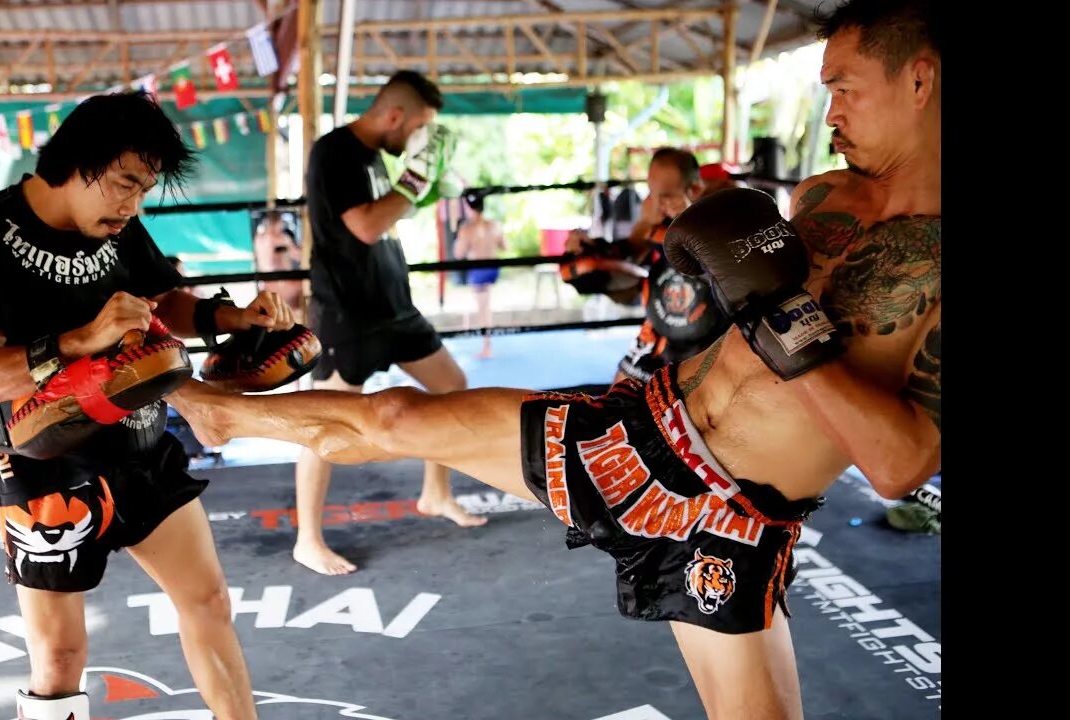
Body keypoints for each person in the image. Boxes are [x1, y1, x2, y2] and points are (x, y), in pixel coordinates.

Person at [168, 1, 940, 717]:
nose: (830, 112)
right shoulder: (821, 197)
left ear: (919, 78)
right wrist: (646, 270)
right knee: (399, 412)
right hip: (637, 434)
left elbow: (899, 464)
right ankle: (212, 410)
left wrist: (789, 327)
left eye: (845, 89)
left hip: (728, 525)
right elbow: (738, 318)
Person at [0, 90, 298, 720]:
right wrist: (82, 340)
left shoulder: (120, 226)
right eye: (125, 184)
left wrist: (231, 316)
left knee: (208, 600)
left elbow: (165, 302)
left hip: (139, 437)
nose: (134, 205)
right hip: (41, 461)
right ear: (77, 164)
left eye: (144, 190)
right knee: (59, 658)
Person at [293, 68, 485, 576]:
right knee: (329, 419)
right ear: (394, 115)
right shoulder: (334, 152)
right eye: (417, 128)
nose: (418, 140)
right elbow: (367, 225)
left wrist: (423, 188)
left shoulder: (379, 157)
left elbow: (389, 216)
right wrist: (418, 178)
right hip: (349, 311)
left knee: (451, 387)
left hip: (392, 304)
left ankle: (434, 493)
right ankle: (307, 539)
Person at [614, 148, 730, 385]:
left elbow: (731, 269)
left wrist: (687, 218)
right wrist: (645, 225)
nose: (657, 203)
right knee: (615, 401)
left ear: (694, 190)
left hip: (711, 339)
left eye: (665, 196)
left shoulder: (724, 208)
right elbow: (628, 259)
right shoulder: (654, 213)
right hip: (660, 329)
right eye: (652, 193)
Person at [453, 191, 506, 358]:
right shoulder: (494, 225)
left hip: (478, 269)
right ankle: (482, 340)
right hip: (492, 267)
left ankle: (487, 346)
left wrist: (459, 238)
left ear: (469, 208)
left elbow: (459, 254)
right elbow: (505, 246)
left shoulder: (467, 229)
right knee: (483, 305)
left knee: (483, 308)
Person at [252, 211, 305, 320]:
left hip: (270, 285)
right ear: (279, 223)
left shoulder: (258, 239)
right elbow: (298, 255)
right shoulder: (281, 238)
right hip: (282, 283)